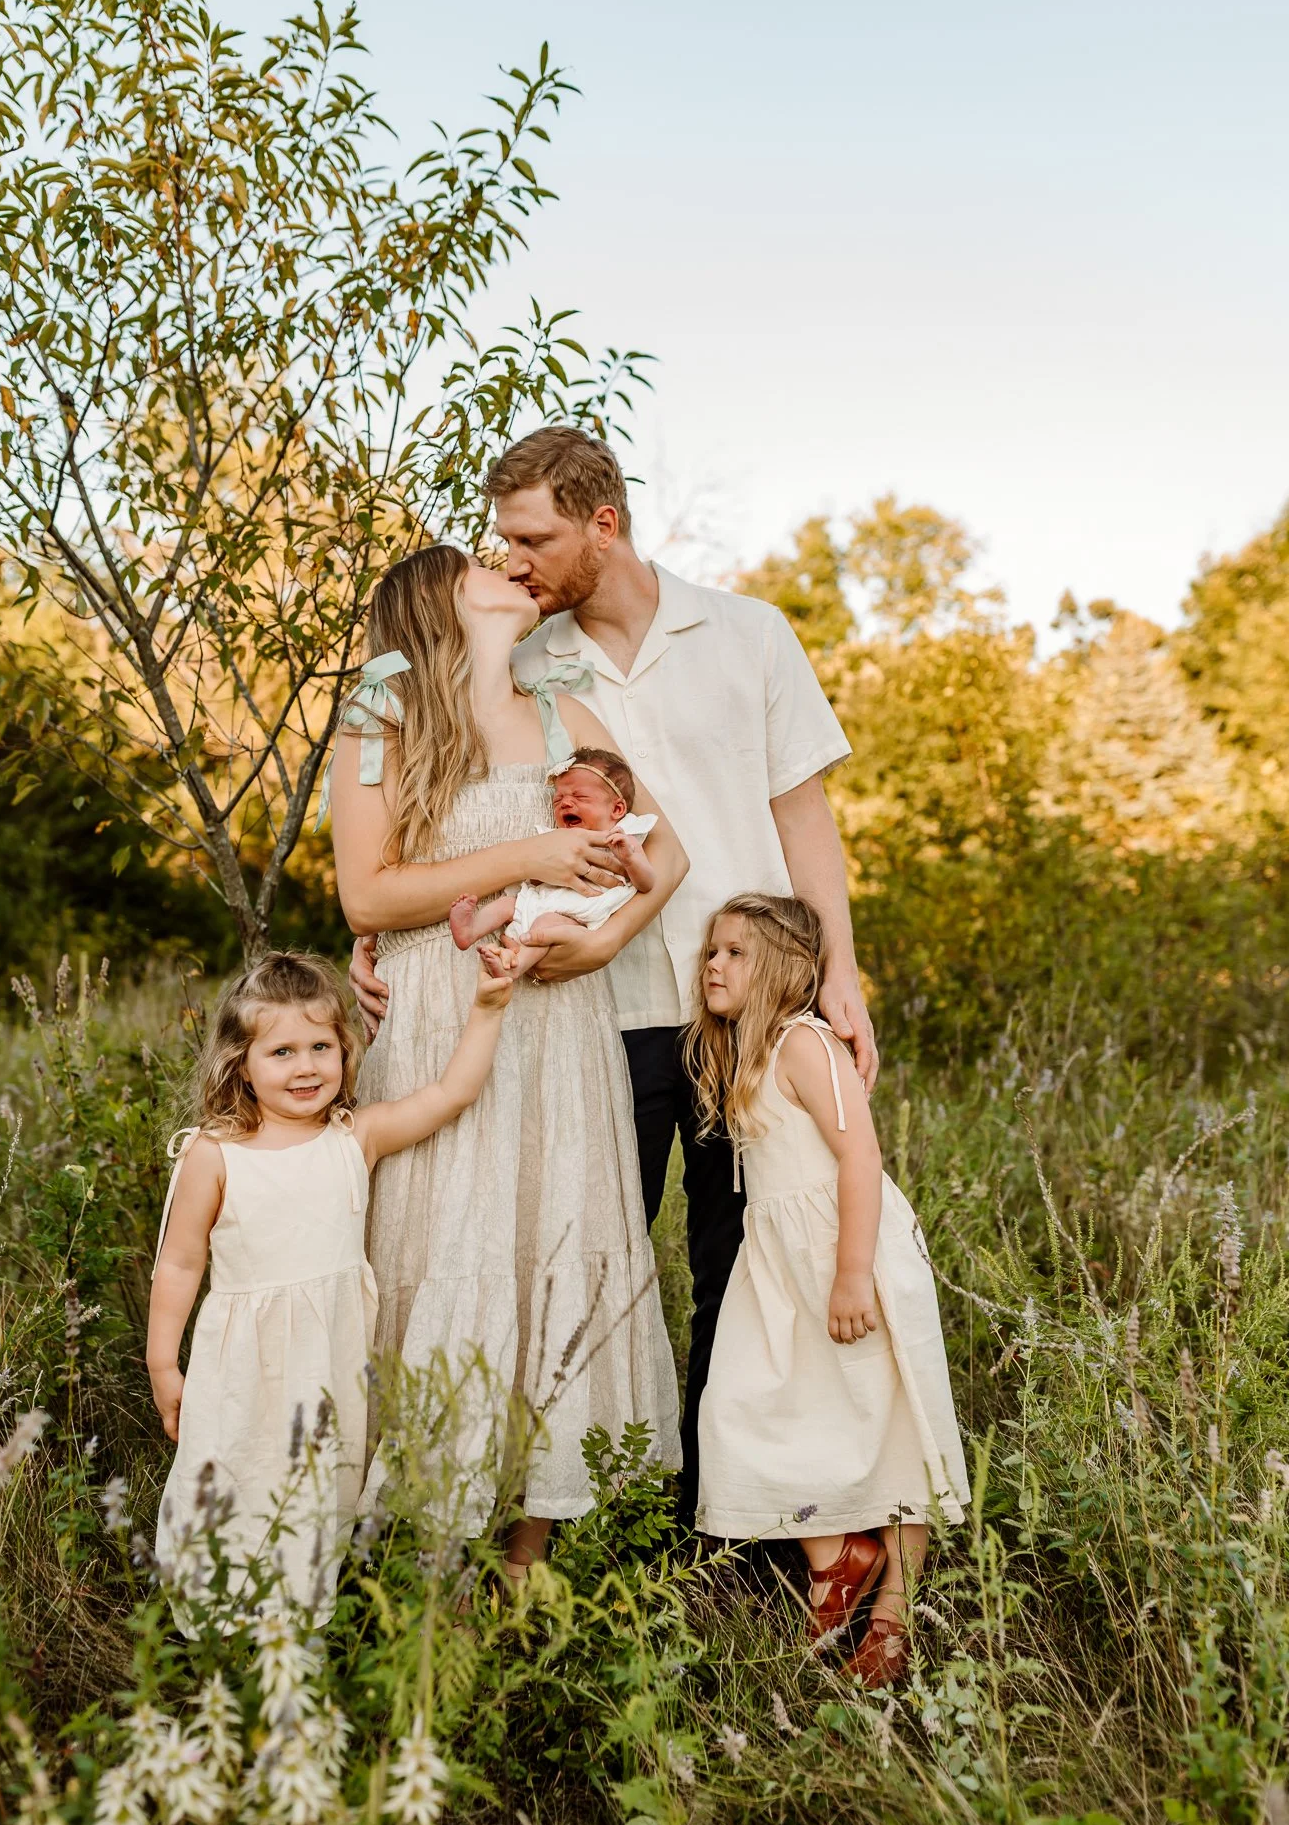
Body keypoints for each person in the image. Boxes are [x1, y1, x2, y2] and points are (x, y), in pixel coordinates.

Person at [349, 427, 875, 1519]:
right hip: (595, 1013)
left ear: (605, 521)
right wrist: (388, 930)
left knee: (749, 1264)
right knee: (585, 1263)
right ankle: (589, 1509)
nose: (510, 560)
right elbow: (418, 756)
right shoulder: (517, 656)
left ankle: (741, 1521)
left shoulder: (747, 633)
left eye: (531, 536)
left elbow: (802, 816)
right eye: (499, 542)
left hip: (749, 1010)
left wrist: (843, 971)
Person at [327, 544, 686, 1587]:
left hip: (558, 1023)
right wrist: (527, 857)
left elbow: (666, 858)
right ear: (440, 599)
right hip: (441, 1015)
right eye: (484, 564)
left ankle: (526, 1555)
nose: (511, 569)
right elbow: (368, 896)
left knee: (548, 1237)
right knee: (441, 1242)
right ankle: (427, 1555)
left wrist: (606, 939)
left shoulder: (567, 715)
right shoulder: (377, 719)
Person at [148, 950, 513, 1623]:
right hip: (242, 1368)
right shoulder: (214, 1152)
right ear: (241, 1063)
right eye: (281, 1051)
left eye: (322, 1046)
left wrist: (486, 1009)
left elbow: (449, 1095)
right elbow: (179, 1264)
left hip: (329, 1365)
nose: (307, 1066)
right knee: (233, 1475)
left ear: (345, 1051)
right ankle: (217, 1625)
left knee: (318, 1488)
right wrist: (163, 1361)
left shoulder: (355, 1138)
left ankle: (301, 1618)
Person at [686, 895, 969, 1686]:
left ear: (787, 970)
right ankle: (835, 1551)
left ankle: (891, 1621)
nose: (713, 964)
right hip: (778, 1263)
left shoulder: (804, 1042)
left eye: (735, 953)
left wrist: (850, 1274)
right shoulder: (744, 1051)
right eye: (711, 951)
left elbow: (858, 1158)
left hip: (845, 1253)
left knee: (887, 1422)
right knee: (734, 1405)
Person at [449, 745, 656, 981]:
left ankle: (515, 966)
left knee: (547, 925)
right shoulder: (555, 838)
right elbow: (536, 878)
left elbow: (646, 884)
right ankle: (470, 931)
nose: (565, 804)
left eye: (580, 797)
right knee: (507, 903)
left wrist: (631, 860)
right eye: (558, 800)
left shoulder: (625, 839)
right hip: (541, 899)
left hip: (575, 912)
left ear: (617, 808)